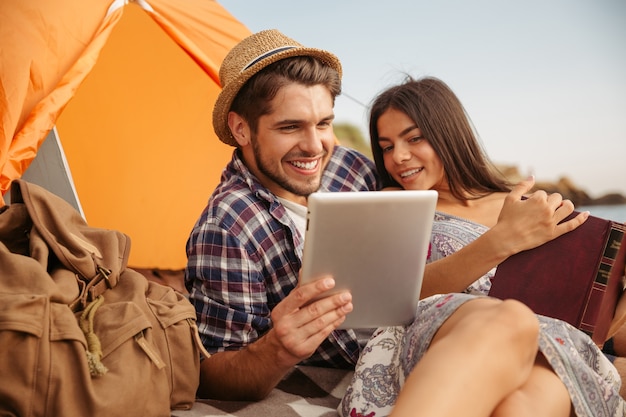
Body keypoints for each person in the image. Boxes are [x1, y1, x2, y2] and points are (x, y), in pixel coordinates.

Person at [184, 29, 593, 410]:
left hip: (453, 339)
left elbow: (430, 201)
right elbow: (212, 375)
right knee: (510, 320)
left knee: (544, 388)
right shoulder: (227, 227)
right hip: (399, 344)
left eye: (324, 123)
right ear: (241, 128)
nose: (314, 146)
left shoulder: (348, 167)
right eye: (290, 127)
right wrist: (278, 349)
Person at [339, 75, 626, 416]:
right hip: (442, 336)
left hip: (545, 345)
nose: (398, 156)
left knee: (542, 390)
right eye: (387, 147)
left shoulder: (523, 206)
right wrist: (499, 242)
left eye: (414, 138)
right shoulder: (393, 203)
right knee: (511, 320)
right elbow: (388, 297)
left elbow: (592, 331)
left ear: (448, 133)